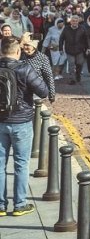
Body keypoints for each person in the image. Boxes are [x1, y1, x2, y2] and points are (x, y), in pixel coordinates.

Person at [0, 36, 51, 217]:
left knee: (0, 165)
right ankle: (19, 204)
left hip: (0, 122)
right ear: (18, 51)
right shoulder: (24, 68)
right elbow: (43, 91)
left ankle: (1, 205)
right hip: (21, 121)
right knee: (21, 164)